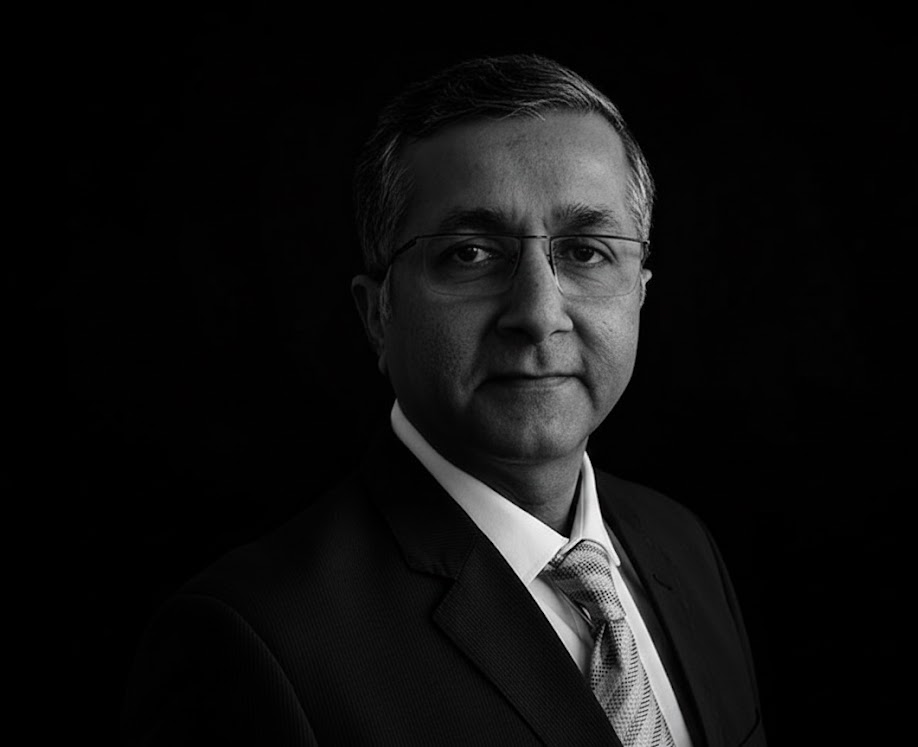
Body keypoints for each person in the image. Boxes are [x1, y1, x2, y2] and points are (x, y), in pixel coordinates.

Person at [121, 54, 765, 747]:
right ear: (378, 314)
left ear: (639, 288)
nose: (539, 313)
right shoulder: (252, 643)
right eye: (470, 254)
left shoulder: (682, 544)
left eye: (584, 251)